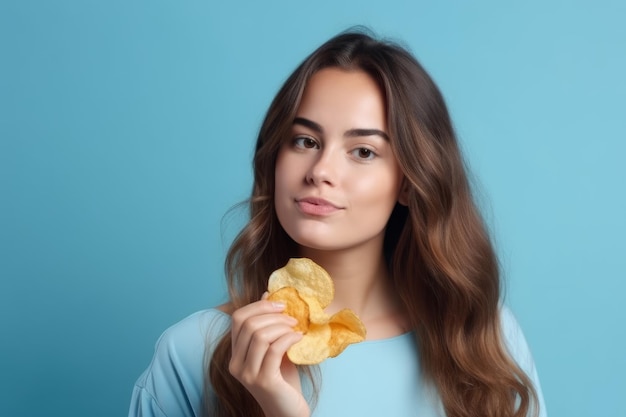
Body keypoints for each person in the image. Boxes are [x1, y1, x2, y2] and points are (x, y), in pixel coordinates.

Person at [128, 29, 547, 417]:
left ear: (408, 182)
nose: (320, 171)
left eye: (363, 151)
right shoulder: (192, 353)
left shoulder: (481, 338)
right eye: (305, 141)